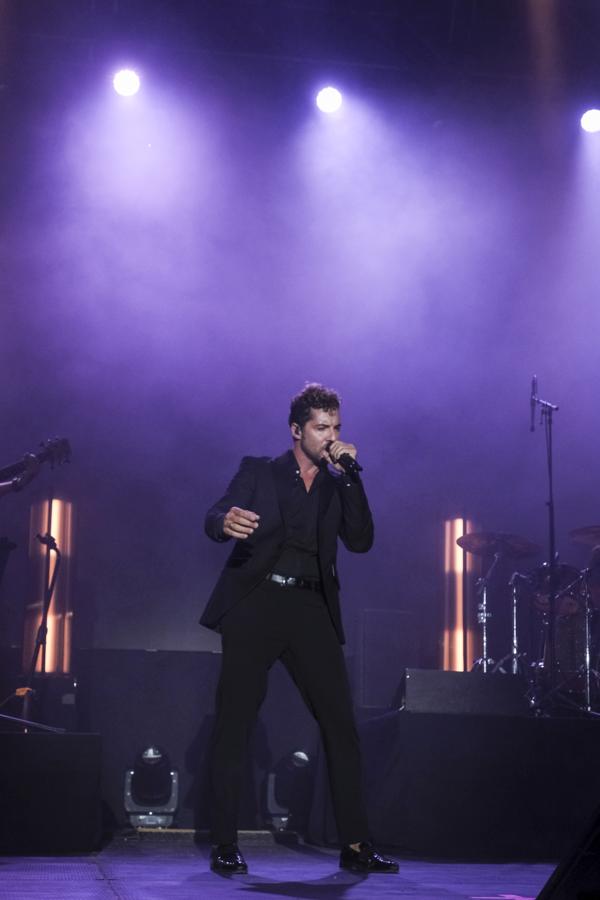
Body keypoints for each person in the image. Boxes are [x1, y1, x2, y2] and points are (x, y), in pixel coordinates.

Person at [202, 383, 398, 875]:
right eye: (321, 428)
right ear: (296, 430)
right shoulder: (259, 471)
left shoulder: (338, 482)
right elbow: (213, 514)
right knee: (235, 722)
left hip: (312, 606)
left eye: (336, 428)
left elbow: (361, 541)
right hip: (257, 601)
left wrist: (352, 478)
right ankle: (225, 842)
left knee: (340, 724)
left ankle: (356, 844)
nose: (331, 436)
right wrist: (226, 521)